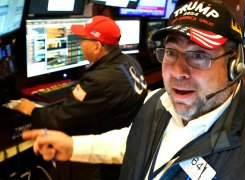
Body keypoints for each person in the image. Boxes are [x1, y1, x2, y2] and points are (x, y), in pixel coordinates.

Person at [23, 1, 245, 179]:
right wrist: (73, 146)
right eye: (171, 52)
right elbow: (135, 141)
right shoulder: (159, 102)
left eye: (199, 55)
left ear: (234, 65)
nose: (178, 70)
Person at [15, 16, 148, 180]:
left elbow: (59, 117)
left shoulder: (97, 81)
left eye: (82, 39)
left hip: (101, 164)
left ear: (97, 46)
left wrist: (32, 110)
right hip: (125, 152)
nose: (78, 44)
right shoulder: (130, 61)